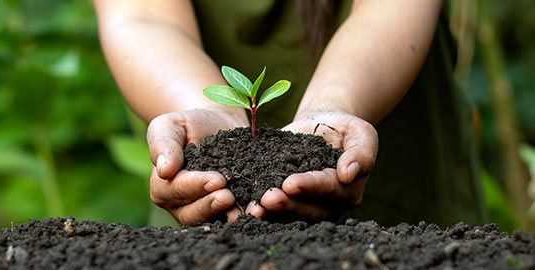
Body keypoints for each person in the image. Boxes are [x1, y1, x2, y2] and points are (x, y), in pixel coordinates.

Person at [92, 0, 488, 227]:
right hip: (210, 217)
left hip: (405, 196)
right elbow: (142, 15)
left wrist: (332, 109)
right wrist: (205, 110)